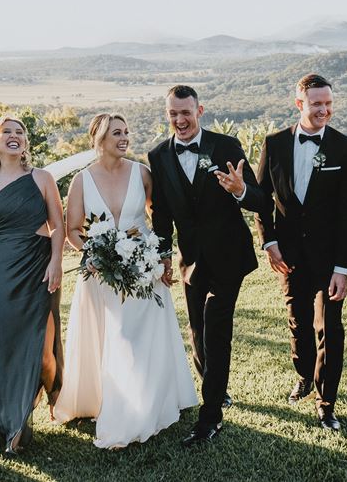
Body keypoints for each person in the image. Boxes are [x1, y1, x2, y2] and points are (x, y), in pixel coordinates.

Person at [54, 113, 198, 448]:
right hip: (101, 276)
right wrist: (96, 253)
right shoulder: (81, 181)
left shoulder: (142, 173)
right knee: (114, 337)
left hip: (143, 271)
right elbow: (73, 229)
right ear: (100, 139)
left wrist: (161, 257)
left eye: (126, 132)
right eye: (116, 133)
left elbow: (158, 218)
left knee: (139, 339)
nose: (124, 138)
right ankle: (111, 399)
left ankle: (146, 402)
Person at [146, 85, 270, 447]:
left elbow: (261, 200)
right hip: (190, 260)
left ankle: (210, 417)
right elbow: (162, 215)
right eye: (173, 114)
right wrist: (164, 254)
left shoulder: (226, 146)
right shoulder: (158, 156)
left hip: (228, 257)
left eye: (186, 112)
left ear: (200, 111)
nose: (180, 120)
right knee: (198, 333)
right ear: (167, 114)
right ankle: (215, 384)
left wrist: (239, 190)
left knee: (216, 329)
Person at [255, 74, 347, 432]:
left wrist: (343, 267)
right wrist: (269, 243)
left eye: (328, 103)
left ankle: (326, 402)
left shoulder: (346, 148)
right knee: (298, 323)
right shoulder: (274, 144)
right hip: (289, 257)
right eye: (317, 104)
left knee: (329, 328)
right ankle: (303, 375)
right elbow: (261, 199)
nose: (324, 110)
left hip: (330, 259)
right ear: (299, 104)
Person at [0, 115, 64, 454]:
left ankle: (47, 404)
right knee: (1, 344)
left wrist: (56, 262)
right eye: (7, 132)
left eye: (20, 132)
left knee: (40, 348)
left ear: (25, 142)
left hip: (38, 270)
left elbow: (58, 227)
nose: (14, 136)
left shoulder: (42, 178)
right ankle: (8, 421)